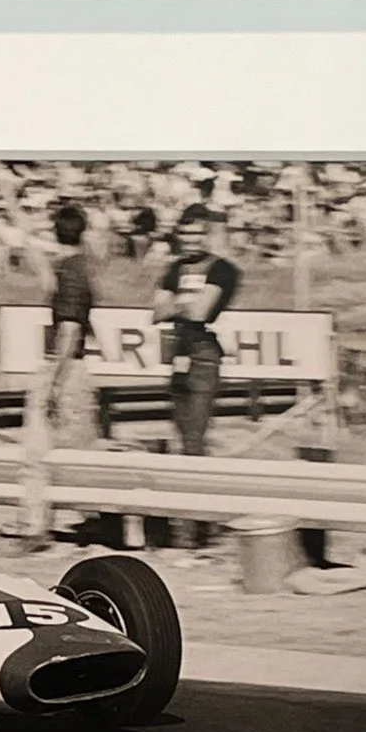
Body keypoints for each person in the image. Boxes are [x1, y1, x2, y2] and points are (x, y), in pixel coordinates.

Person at [152, 204, 243, 546]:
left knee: (195, 439)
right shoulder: (174, 268)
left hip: (205, 354)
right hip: (178, 353)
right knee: (183, 438)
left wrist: (175, 303)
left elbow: (201, 310)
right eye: (185, 234)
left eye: (197, 233)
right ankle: (198, 523)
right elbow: (155, 312)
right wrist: (180, 304)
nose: (190, 240)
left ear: (208, 234)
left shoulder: (223, 269)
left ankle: (193, 528)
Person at [18, 204, 98, 548]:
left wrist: (54, 383)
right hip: (73, 368)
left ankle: (37, 527)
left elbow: (69, 331)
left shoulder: (70, 274)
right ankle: (77, 519)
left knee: (37, 450)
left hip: (63, 367)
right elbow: (46, 274)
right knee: (76, 449)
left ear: (56, 232)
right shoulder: (77, 268)